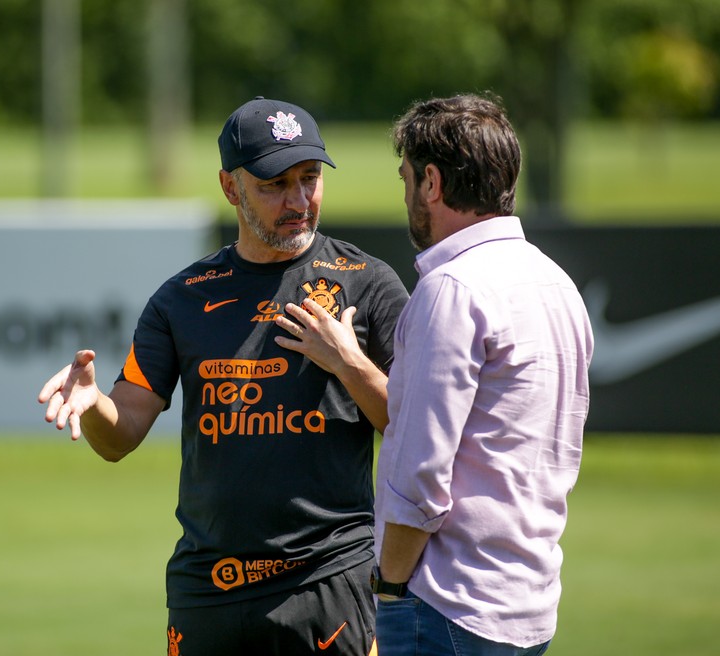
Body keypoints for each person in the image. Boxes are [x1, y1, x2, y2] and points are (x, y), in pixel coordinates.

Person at [38, 96, 409, 656]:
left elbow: (414, 425)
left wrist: (347, 362)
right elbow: (121, 435)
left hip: (328, 583)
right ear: (230, 187)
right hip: (206, 592)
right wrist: (93, 405)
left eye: (310, 179)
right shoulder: (181, 299)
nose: (299, 200)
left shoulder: (368, 283)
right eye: (274, 184)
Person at [370, 93, 594, 656]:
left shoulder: (452, 288)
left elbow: (420, 477)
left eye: (406, 179)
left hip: (447, 604)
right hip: (529, 603)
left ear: (432, 183)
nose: (406, 197)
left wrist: (389, 585)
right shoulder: (557, 283)